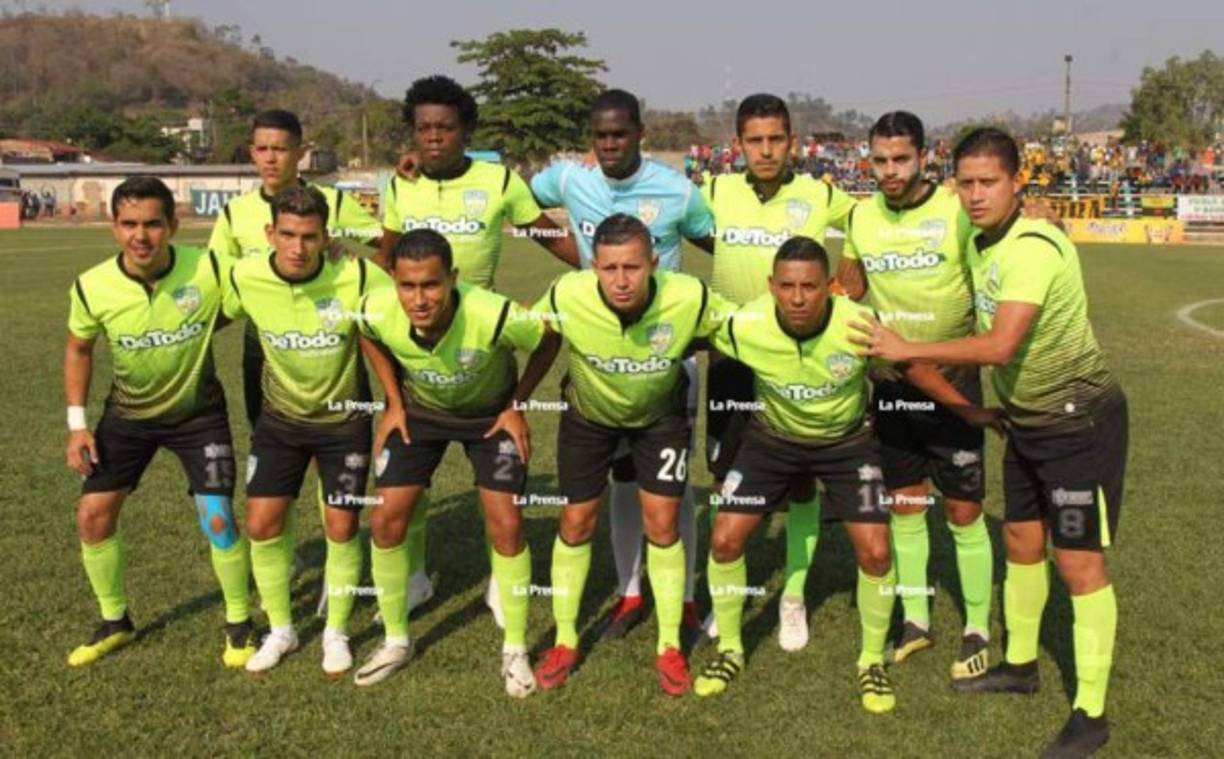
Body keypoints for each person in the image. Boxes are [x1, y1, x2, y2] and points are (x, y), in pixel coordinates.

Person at [854, 127, 1127, 757]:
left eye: (989, 183)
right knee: (1022, 542)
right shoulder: (981, 241)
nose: (975, 195)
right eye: (967, 183)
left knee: (1078, 562)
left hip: (1076, 421)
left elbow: (1000, 344)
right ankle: (1022, 665)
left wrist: (908, 348)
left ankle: (1091, 711)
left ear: (1016, 184)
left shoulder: (1032, 246)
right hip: (1025, 418)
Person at [381, 75, 579, 621]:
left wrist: (598, 271)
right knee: (406, 484)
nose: (434, 138)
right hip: (416, 352)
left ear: (466, 130)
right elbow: (387, 257)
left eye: (445, 127)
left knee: (501, 501)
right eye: (423, 129)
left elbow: (544, 233)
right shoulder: (401, 185)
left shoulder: (498, 181)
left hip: (481, 345)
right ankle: (414, 578)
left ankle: (504, 578)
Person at [530, 87, 715, 644]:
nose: (609, 145)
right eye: (600, 136)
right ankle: (630, 593)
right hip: (599, 353)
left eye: (619, 134)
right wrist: (570, 254)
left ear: (640, 133)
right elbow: (517, 204)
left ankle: (681, 600)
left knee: (671, 492)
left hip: (665, 356)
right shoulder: (569, 179)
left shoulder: (678, 191)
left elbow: (721, 247)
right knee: (617, 482)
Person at [530, 214, 732, 696]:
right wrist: (515, 402)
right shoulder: (566, 293)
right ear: (593, 267)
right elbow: (531, 331)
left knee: (662, 522)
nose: (621, 280)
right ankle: (564, 639)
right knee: (576, 522)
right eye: (610, 268)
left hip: (658, 418)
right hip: (587, 417)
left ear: (654, 264)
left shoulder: (689, 296)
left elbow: (739, 327)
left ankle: (668, 646)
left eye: (633, 268)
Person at [353, 229, 561, 695]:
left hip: (489, 418)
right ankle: (395, 641)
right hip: (420, 416)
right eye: (408, 286)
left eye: (431, 285)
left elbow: (547, 340)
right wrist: (392, 401)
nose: (419, 298)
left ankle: (515, 651)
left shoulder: (493, 312)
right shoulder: (376, 308)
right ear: (394, 280)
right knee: (386, 518)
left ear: (453, 278)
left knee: (505, 523)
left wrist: (518, 404)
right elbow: (364, 333)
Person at [63, 176, 255, 668]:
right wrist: (77, 424)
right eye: (129, 224)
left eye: (152, 223)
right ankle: (115, 621)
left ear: (173, 224)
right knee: (92, 515)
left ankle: (239, 624)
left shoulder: (210, 267)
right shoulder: (92, 286)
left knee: (218, 518)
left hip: (198, 416)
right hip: (127, 417)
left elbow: (270, 273)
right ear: (113, 227)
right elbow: (79, 348)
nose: (140, 236)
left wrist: (336, 248)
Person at [836, 111, 994, 680]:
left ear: (924, 156)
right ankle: (917, 617)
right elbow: (849, 286)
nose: (890, 171)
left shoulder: (956, 210)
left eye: (901, 159)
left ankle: (977, 622)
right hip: (891, 382)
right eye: (879, 160)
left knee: (962, 507)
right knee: (904, 502)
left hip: (952, 377)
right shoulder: (860, 216)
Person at [700, 93, 856, 652]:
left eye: (775, 139)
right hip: (734, 357)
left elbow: (876, 220)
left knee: (801, 481)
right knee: (725, 477)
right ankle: (730, 598)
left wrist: (845, 285)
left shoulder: (821, 194)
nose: (765, 151)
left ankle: (792, 599)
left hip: (802, 355)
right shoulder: (714, 191)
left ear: (793, 141)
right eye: (754, 140)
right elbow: (669, 215)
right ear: (738, 145)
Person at [222, 185, 392, 676]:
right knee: (261, 524)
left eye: (311, 237)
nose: (298, 247)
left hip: (344, 424)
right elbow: (203, 313)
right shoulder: (245, 276)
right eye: (289, 235)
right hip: (279, 423)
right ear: (270, 233)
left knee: (341, 527)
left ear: (326, 238)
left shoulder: (355, 274)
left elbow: (404, 309)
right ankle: (282, 631)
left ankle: (336, 632)